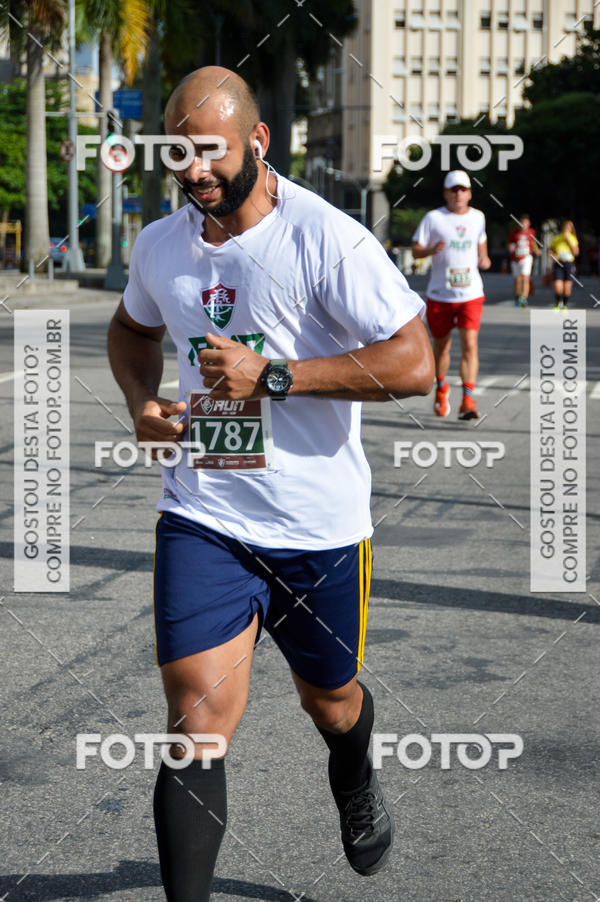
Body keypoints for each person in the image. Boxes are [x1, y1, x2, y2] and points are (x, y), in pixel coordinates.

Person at [107, 66, 433, 901]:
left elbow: (414, 364)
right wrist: (142, 402)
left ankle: (354, 773)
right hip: (204, 514)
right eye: (180, 157)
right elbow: (131, 327)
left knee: (330, 700)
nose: (195, 174)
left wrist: (274, 377)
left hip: (315, 528)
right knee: (195, 723)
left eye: (211, 154)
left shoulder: (328, 238)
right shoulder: (161, 244)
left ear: (256, 141)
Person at [411, 170, 491, 420]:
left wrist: (484, 258)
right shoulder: (433, 218)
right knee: (442, 348)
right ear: (446, 193)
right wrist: (430, 250)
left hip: (470, 294)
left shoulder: (478, 217)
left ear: (469, 193)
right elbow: (415, 250)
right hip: (440, 294)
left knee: (470, 344)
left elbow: (481, 243)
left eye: (463, 189)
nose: (459, 194)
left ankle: (468, 400)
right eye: (454, 189)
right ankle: (442, 386)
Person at [507, 214, 541, 307]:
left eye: (525, 222)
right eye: (521, 222)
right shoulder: (514, 233)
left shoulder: (531, 232)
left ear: (529, 223)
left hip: (526, 258)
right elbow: (509, 244)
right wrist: (510, 248)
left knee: (525, 278)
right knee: (518, 279)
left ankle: (524, 298)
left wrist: (536, 250)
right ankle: (518, 296)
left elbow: (533, 243)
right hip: (515, 259)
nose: (523, 224)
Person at [550, 220, 579, 310]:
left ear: (571, 229)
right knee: (557, 285)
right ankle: (558, 302)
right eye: (565, 227)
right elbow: (550, 250)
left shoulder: (573, 238)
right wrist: (552, 255)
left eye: (569, 228)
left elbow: (576, 252)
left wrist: (568, 240)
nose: (566, 229)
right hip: (558, 263)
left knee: (567, 287)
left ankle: (565, 304)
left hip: (569, 263)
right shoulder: (556, 238)